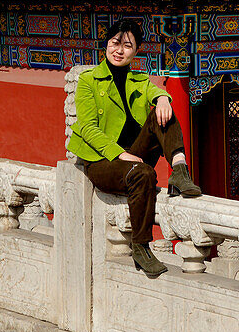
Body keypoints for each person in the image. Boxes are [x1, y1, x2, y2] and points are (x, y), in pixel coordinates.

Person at [67, 19, 201, 278]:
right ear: (106, 44)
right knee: (144, 174)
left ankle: (180, 170)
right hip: (103, 161)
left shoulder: (139, 80)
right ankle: (141, 247)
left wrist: (163, 98)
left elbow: (157, 92)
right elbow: (87, 127)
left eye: (127, 45)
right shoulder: (89, 81)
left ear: (136, 51)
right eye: (115, 43)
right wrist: (120, 153)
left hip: (134, 155)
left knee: (165, 112)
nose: (119, 50)